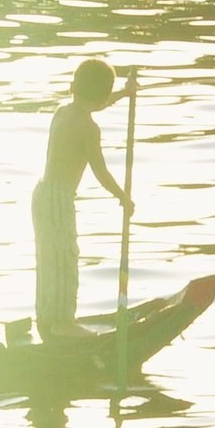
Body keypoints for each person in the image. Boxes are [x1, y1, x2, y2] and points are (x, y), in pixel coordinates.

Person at [32, 58, 133, 341]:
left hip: (42, 194)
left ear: (73, 87)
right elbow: (99, 170)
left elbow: (96, 102)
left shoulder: (63, 112)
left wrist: (124, 93)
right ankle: (63, 322)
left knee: (49, 258)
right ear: (101, 98)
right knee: (64, 258)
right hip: (58, 198)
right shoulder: (89, 128)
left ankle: (47, 317)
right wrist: (122, 196)